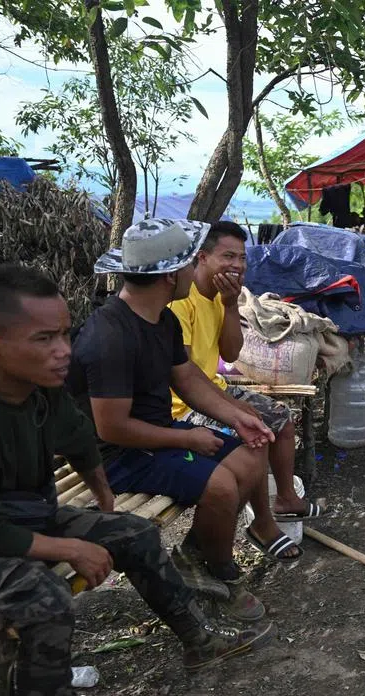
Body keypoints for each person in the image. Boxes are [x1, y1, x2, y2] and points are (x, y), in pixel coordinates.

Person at [0, 265, 272, 696]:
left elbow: (79, 439)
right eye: (44, 338)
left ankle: (198, 640)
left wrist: (103, 498)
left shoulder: (39, 389)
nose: (64, 350)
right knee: (43, 596)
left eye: (65, 333)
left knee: (134, 532)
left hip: (16, 518)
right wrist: (68, 547)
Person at [69, 219, 276, 609]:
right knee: (221, 486)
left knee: (251, 456)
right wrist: (186, 437)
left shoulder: (160, 319)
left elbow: (187, 379)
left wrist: (235, 416)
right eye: (186, 265)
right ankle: (220, 571)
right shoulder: (109, 336)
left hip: (155, 435)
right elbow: (111, 428)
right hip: (116, 457)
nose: (191, 272)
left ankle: (194, 557)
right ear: (169, 276)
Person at [168, 221, 327, 564]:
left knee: (281, 419)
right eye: (228, 256)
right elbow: (185, 374)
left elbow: (230, 354)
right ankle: (262, 526)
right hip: (181, 404)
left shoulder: (219, 296)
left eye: (242, 258)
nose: (237, 265)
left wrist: (229, 306)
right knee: (255, 434)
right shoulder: (182, 301)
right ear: (203, 257)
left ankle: (286, 499)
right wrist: (233, 409)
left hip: (214, 386)